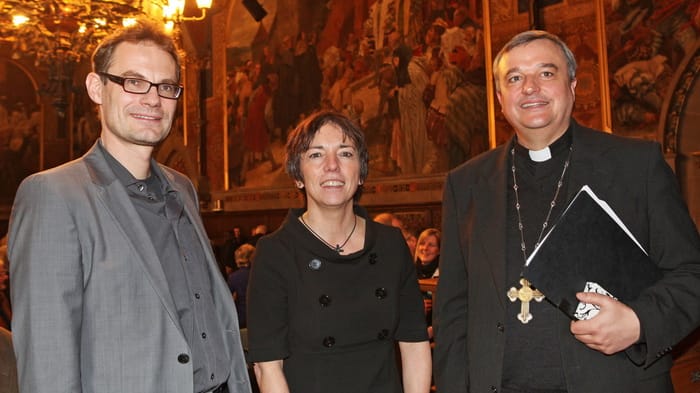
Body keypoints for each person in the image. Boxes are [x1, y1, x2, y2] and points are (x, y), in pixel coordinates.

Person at [433, 29, 700, 393]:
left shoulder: (637, 166)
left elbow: (691, 274)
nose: (530, 87)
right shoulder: (465, 185)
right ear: (499, 97)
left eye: (546, 73)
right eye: (515, 78)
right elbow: (452, 313)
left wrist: (639, 322)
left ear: (573, 85)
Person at [8, 20, 251, 393]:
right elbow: (48, 357)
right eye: (133, 82)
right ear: (97, 88)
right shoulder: (54, 194)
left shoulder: (182, 187)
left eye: (166, 87)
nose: (153, 99)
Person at [247, 110, 431, 393]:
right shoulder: (275, 253)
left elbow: (415, 343)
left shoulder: (391, 244)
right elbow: (267, 366)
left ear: (361, 173)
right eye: (316, 155)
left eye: (345, 154)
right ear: (298, 175)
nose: (332, 166)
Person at [227, 243, 255, 328]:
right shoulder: (258, 274)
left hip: (241, 318)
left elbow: (227, 299)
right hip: (259, 316)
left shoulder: (233, 277)